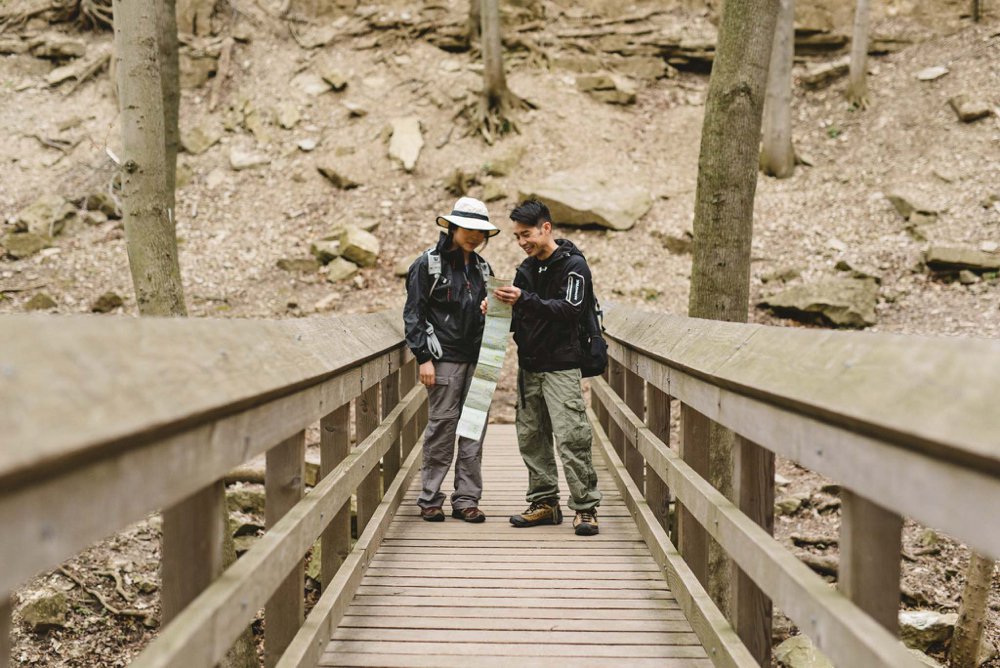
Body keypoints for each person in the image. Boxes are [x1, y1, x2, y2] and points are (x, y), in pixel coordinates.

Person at [490, 199, 602, 536]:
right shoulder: (525, 269)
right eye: (517, 237)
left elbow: (570, 309)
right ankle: (544, 503)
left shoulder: (574, 266)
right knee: (531, 436)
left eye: (527, 235)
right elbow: (520, 314)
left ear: (546, 228)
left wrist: (522, 299)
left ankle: (585, 508)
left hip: (561, 365)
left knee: (571, 435)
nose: (523, 242)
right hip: (529, 366)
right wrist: (494, 307)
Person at [403, 196, 499, 523]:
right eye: (468, 228)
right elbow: (413, 313)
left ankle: (466, 499)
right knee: (442, 427)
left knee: (474, 430)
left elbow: (497, 316)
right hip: (443, 357)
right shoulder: (426, 264)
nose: (474, 236)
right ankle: (430, 498)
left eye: (480, 231)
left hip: (479, 360)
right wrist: (423, 358)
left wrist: (493, 310)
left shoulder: (483, 268)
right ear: (453, 227)